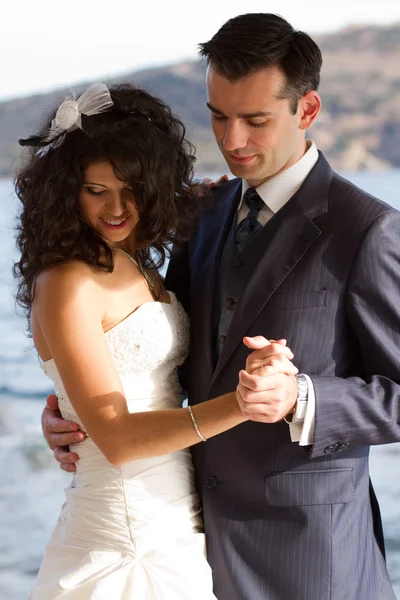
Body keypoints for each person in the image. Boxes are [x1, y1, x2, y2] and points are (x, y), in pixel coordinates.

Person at [41, 13, 400, 600]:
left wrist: (301, 398)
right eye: (218, 115)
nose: (231, 141)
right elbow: (158, 354)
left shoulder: (368, 230)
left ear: (306, 111)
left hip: (310, 558)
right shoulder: (202, 217)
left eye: (255, 121)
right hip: (184, 545)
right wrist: (77, 412)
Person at [15, 82, 295, 599]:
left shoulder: (134, 260)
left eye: (133, 190)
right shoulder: (67, 283)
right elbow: (117, 438)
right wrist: (242, 404)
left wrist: (198, 200)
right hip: (122, 533)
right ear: (66, 192)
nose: (117, 209)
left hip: (174, 518)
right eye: (96, 191)